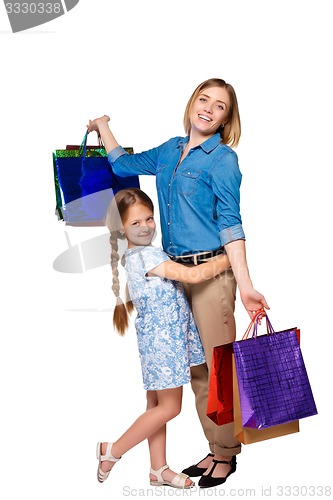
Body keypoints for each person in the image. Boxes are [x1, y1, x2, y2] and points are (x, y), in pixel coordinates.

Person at [88, 77, 269, 488]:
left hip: (210, 274)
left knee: (218, 368)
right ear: (192, 103)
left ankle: (226, 454)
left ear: (226, 118)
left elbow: (231, 224)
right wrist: (103, 127)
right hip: (173, 274)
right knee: (197, 371)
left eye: (219, 106)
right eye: (203, 99)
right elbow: (121, 165)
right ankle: (217, 445)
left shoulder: (222, 160)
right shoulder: (170, 150)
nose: (208, 108)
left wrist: (244, 283)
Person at [97, 187, 232, 488]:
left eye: (149, 218)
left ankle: (158, 469)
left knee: (155, 407)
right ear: (121, 228)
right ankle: (113, 450)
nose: (145, 227)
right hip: (164, 345)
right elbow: (192, 276)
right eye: (136, 223)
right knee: (170, 408)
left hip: (158, 342)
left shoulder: (135, 256)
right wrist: (228, 259)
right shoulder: (148, 256)